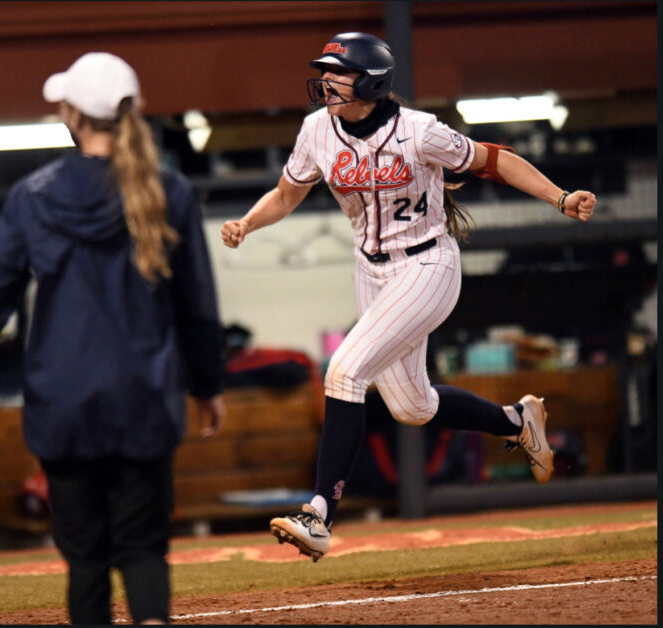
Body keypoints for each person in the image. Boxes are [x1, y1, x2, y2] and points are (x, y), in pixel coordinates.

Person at [220, 32, 596, 562]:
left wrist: (560, 197)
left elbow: (496, 160)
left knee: (345, 372)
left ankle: (319, 514)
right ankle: (518, 421)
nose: (326, 78)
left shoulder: (418, 131)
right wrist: (247, 224)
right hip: (370, 271)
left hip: (427, 263)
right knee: (413, 408)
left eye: (338, 71)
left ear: (371, 82)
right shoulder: (316, 130)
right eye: (324, 69)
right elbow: (285, 195)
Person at [0, 52, 226, 623]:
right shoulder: (171, 192)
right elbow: (198, 306)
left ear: (70, 112)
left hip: (63, 406)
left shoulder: (33, 197)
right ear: (134, 112)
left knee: (85, 560)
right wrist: (209, 384)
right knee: (144, 550)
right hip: (144, 401)